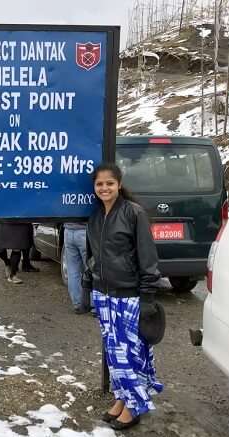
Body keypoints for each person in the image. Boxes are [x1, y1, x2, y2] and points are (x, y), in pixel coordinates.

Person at [84, 162, 163, 431]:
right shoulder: (96, 217)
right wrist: (88, 284)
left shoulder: (133, 213)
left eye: (109, 183)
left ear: (119, 184)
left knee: (130, 353)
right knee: (113, 353)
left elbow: (148, 257)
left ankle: (134, 407)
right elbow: (93, 256)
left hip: (128, 295)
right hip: (103, 295)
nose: (104, 188)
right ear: (94, 187)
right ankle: (121, 399)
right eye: (99, 184)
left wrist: (148, 297)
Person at [63, 221, 89, 314]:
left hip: (68, 231)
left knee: (72, 271)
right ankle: (94, 305)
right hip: (85, 231)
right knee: (92, 269)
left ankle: (77, 304)